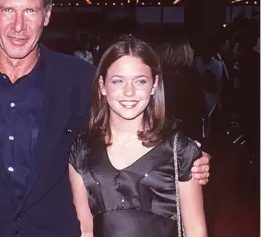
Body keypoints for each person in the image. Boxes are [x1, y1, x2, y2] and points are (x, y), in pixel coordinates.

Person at [0, 0, 211, 236]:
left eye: (30, 11)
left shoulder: (80, 79)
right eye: (8, 9)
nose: (18, 26)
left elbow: (122, 130)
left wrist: (182, 157)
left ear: (47, 14)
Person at [69, 35, 207, 237]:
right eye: (117, 81)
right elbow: (85, 230)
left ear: (153, 85)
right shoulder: (81, 150)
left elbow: (195, 229)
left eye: (140, 81)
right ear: (102, 86)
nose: (129, 92)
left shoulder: (180, 150)